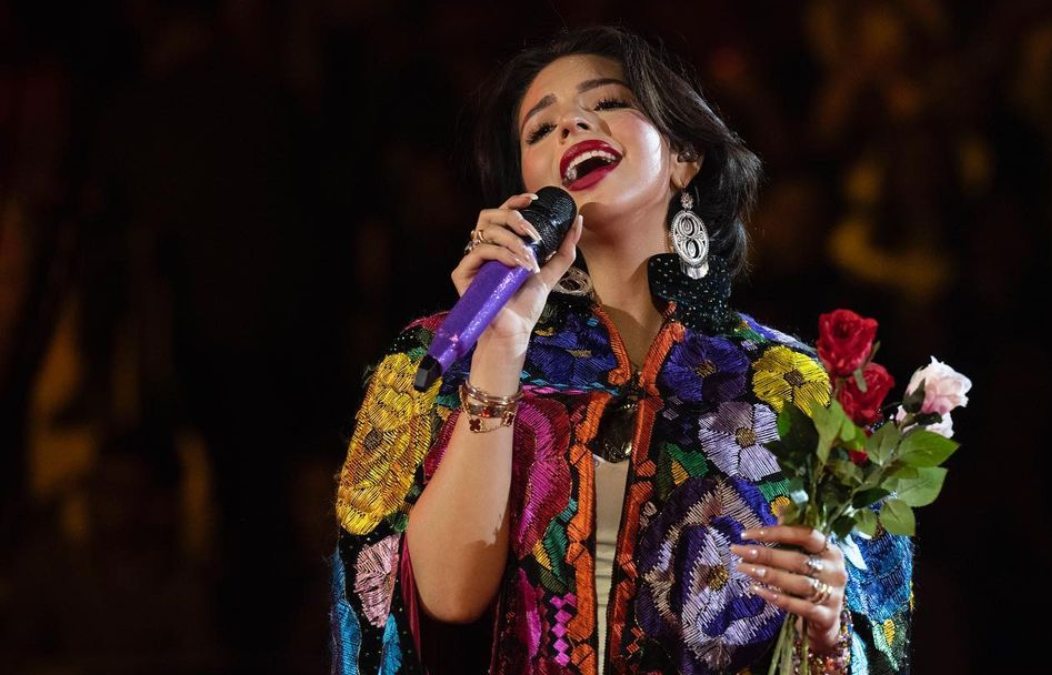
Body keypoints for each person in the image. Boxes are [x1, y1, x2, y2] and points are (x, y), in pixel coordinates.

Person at [331, 26, 913, 675]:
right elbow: (448, 596)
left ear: (685, 155)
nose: (571, 123)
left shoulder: (786, 379)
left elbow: (863, 640)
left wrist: (830, 625)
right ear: (523, 186)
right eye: (538, 128)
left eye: (606, 102)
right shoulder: (442, 353)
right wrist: (502, 347)